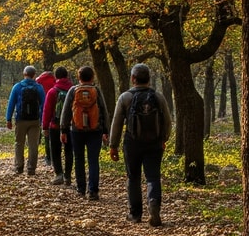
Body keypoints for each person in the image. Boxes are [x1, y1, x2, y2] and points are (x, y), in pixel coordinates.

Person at [108, 62, 173, 226]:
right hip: (154, 143)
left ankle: (135, 214)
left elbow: (116, 123)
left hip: (132, 143)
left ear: (133, 79)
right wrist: (163, 138)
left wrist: (113, 145)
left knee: (133, 177)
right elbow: (167, 120)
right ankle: (154, 204)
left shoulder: (125, 97)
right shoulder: (158, 97)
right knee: (153, 176)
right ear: (149, 79)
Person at [62, 65, 111, 199]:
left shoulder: (73, 90)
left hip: (76, 130)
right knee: (93, 160)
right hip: (96, 130)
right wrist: (106, 130)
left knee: (79, 159)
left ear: (79, 77)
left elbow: (66, 111)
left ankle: (81, 189)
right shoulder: (96, 91)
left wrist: (63, 130)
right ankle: (93, 191)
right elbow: (104, 110)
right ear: (93, 77)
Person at [6, 66, 46, 175]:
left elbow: (11, 103)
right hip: (34, 120)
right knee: (33, 145)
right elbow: (44, 105)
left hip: (20, 120)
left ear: (24, 74)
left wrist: (8, 119)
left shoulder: (17, 87)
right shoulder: (39, 88)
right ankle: (31, 168)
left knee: (19, 143)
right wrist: (42, 119)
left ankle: (19, 167)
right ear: (34, 75)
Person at [42, 66, 74, 185]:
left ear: (56, 77)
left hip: (55, 126)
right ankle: (68, 176)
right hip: (70, 126)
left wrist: (45, 126)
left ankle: (58, 174)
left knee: (55, 151)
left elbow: (47, 110)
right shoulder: (74, 90)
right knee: (69, 150)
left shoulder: (52, 91)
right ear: (67, 76)